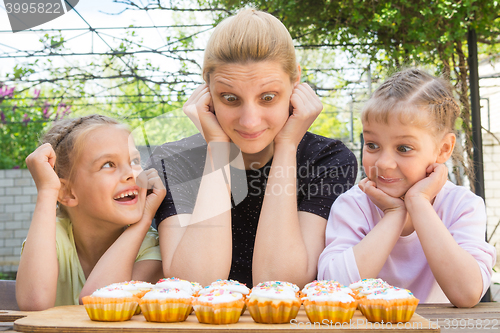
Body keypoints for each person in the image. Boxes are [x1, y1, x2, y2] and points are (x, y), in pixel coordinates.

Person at [147, 9, 357, 288]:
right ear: (207, 90)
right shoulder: (174, 161)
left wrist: (286, 146)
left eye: (268, 97)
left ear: (295, 81)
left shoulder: (327, 160)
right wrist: (218, 149)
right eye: (230, 98)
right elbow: (194, 284)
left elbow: (280, 285)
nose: (250, 121)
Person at [318, 68, 496, 307]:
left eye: (404, 148)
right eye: (372, 145)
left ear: (444, 149)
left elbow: (467, 293)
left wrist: (419, 202)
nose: (383, 163)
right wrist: (394, 215)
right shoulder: (353, 205)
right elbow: (335, 289)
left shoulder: (463, 206)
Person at [16, 115, 166, 310]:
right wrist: (47, 191)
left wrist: (145, 219)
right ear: (67, 192)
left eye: (135, 160)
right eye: (108, 164)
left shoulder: (151, 247)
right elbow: (34, 302)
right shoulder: (50, 237)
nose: (131, 173)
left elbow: (99, 300)